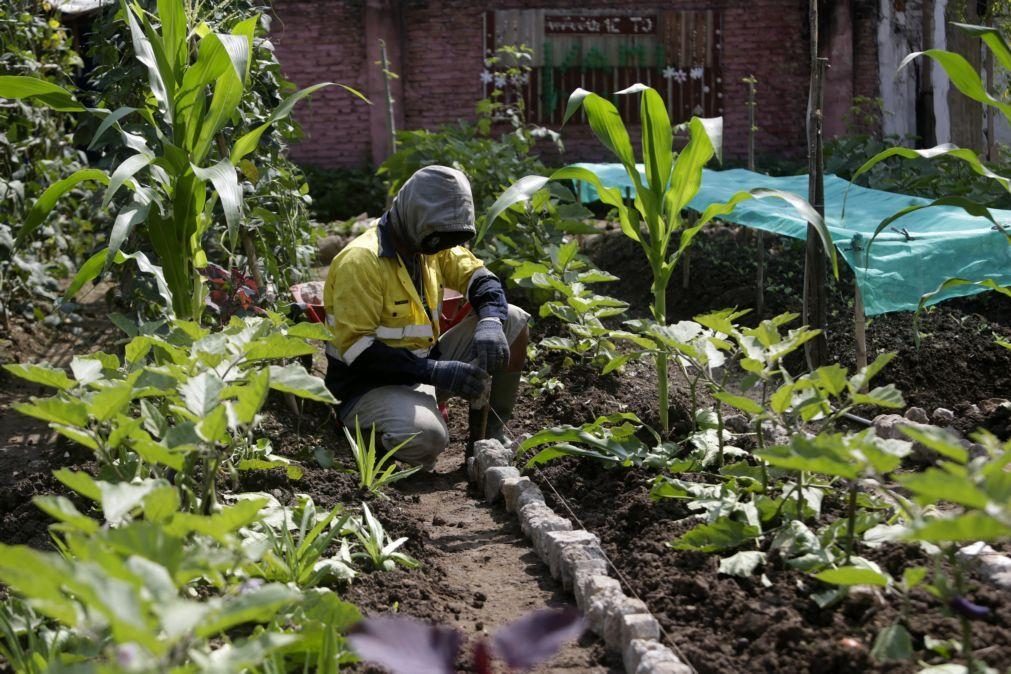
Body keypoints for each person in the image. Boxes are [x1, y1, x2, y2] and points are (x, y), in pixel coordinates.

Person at [322, 166, 529, 470]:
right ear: (415, 216)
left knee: (512, 320)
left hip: (422, 369)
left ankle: (488, 438)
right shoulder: (362, 262)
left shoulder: (430, 243)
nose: (445, 247)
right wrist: (434, 371)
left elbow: (481, 278)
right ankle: (359, 436)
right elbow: (359, 353)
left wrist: (490, 321)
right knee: (428, 440)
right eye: (440, 239)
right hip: (366, 386)